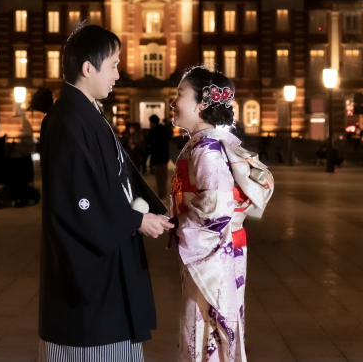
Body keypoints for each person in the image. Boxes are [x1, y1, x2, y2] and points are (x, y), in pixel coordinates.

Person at [38, 22, 171, 362]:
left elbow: (113, 183)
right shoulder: (69, 119)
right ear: (87, 68)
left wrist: (147, 211)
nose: (118, 73)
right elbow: (78, 200)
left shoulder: (82, 114)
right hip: (88, 267)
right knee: (94, 344)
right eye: (113, 64)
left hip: (105, 255)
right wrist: (135, 220)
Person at [170, 66, 248, 361]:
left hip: (212, 257)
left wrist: (178, 224)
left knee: (205, 335)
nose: (174, 102)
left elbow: (216, 210)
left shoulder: (206, 150)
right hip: (218, 251)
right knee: (207, 334)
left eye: (179, 94)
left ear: (202, 104)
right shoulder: (213, 143)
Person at [147, 114, 171, 199]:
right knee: (163, 176)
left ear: (152, 122)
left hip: (158, 157)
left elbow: (151, 144)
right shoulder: (163, 130)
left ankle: (162, 195)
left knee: (160, 177)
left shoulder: (154, 131)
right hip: (164, 156)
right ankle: (163, 193)